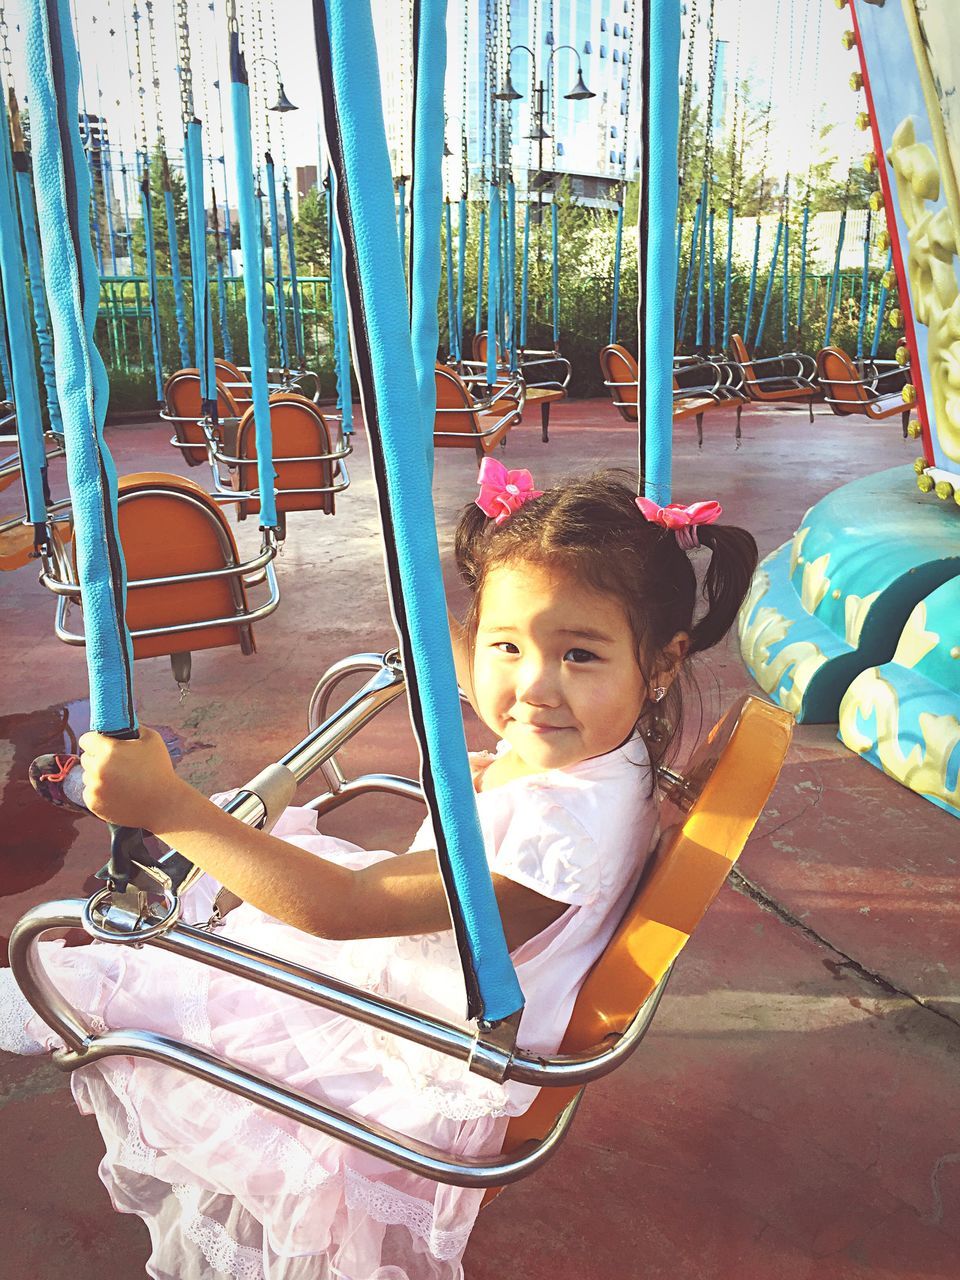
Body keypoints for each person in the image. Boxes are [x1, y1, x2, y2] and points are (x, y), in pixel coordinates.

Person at [0, 466, 757, 1280]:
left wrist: (169, 806)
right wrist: (440, 637)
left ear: (663, 664)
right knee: (185, 932)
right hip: (414, 984)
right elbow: (499, 681)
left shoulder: (559, 839)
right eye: (507, 644)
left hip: (417, 1056)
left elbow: (341, 907)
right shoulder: (611, 752)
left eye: (579, 653)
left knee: (129, 986)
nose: (531, 687)